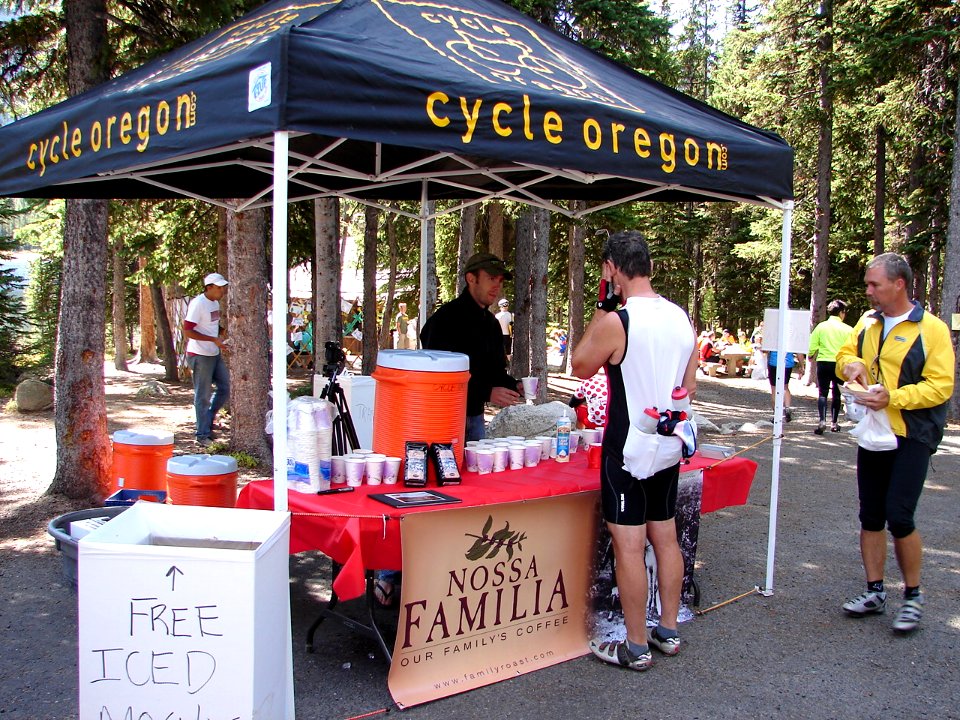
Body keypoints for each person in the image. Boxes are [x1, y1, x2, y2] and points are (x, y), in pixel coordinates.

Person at [572, 230, 698, 672]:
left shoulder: (618, 320)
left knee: (629, 543)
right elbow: (689, 383)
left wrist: (602, 308)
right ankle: (667, 629)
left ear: (612, 269)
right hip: (668, 440)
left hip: (627, 446)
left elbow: (580, 364)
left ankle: (636, 645)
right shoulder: (681, 318)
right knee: (664, 534)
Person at [835, 253, 954, 633]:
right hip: (873, 431)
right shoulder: (868, 323)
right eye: (868, 284)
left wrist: (894, 398)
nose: (868, 291)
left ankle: (913, 597)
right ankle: (874, 591)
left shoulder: (930, 328)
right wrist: (850, 366)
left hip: (911, 433)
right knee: (870, 514)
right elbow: (845, 354)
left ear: (899, 284)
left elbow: (941, 386)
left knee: (899, 516)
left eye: (874, 284)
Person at [420, 252, 522, 441]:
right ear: (471, 278)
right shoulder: (445, 320)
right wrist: (486, 392)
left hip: (475, 418)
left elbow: (495, 371)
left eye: (500, 281)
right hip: (442, 418)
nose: (497, 286)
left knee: (476, 470)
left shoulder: (491, 323)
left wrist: (515, 385)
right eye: (491, 278)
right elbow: (437, 378)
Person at [183, 272, 230, 447]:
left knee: (225, 387)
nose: (221, 291)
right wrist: (213, 340)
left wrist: (221, 331)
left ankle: (207, 419)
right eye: (218, 288)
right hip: (200, 354)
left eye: (222, 288)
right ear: (208, 287)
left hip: (213, 352)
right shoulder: (198, 304)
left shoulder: (215, 302)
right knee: (202, 395)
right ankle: (202, 434)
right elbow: (188, 331)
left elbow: (211, 324)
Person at [808, 299, 853, 434]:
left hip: (824, 362)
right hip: (840, 363)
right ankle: (834, 422)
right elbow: (852, 347)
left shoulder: (821, 327)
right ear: (841, 313)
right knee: (837, 393)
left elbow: (813, 344)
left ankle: (822, 420)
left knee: (823, 392)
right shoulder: (848, 329)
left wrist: (810, 355)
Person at [766, 349, 796, 421]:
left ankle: (776, 414)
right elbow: (798, 352)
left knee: (774, 388)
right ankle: (787, 408)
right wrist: (801, 365)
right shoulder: (790, 337)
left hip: (774, 362)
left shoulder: (773, 337)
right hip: (787, 363)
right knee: (785, 386)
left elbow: (765, 350)